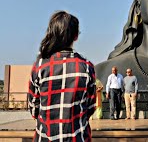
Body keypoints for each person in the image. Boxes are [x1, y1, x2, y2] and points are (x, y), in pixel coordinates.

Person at [27, 11, 96, 141]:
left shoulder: (40, 66)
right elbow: (90, 108)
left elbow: (34, 109)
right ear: (75, 36)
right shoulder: (86, 67)